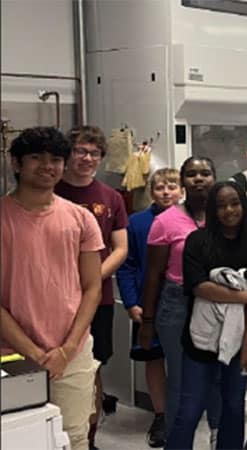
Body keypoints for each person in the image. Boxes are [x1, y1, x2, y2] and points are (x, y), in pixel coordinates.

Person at [2, 127, 103, 450]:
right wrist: (34, 353)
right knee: (17, 435)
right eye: (37, 158)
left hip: (71, 350)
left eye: (56, 159)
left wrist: (66, 349)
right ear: (16, 163)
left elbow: (91, 288)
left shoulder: (80, 218)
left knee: (73, 436)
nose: (48, 166)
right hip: (10, 352)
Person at [166, 181, 247, 449]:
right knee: (189, 410)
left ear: (244, 206)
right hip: (200, 341)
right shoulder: (197, 241)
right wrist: (243, 296)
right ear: (212, 210)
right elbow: (200, 287)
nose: (229, 210)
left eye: (234, 203)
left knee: (234, 407)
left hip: (239, 342)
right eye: (221, 206)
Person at [137, 157, 221, 445]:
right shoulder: (165, 221)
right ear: (183, 181)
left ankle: (216, 436)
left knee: (217, 377)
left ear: (214, 178)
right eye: (192, 174)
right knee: (182, 381)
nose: (199, 179)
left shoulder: (226, 215)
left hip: (218, 303)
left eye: (205, 173)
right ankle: (176, 442)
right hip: (177, 303)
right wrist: (147, 323)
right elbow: (153, 275)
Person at [55, 125, 129, 447]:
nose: (87, 158)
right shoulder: (51, 192)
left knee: (92, 369)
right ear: (68, 155)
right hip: (53, 300)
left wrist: (90, 279)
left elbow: (121, 249)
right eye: (80, 151)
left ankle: (88, 436)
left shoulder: (110, 198)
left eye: (94, 153)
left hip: (98, 299)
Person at [116, 168, 182, 447]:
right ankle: (161, 415)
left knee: (184, 361)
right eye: (160, 188)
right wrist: (132, 303)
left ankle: (183, 412)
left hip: (183, 304)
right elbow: (127, 267)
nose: (166, 192)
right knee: (154, 359)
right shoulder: (137, 223)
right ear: (152, 192)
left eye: (172, 187)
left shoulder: (193, 220)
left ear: (181, 191)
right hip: (148, 305)